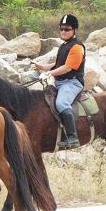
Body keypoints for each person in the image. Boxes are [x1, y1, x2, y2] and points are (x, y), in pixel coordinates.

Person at [32, 14, 84, 149]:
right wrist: (41, 67)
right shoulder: (64, 46)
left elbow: (67, 68)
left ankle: (73, 138)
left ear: (74, 30)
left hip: (72, 82)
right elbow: (57, 64)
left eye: (67, 29)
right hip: (59, 82)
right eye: (61, 29)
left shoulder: (77, 47)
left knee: (61, 103)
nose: (63, 32)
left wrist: (49, 73)